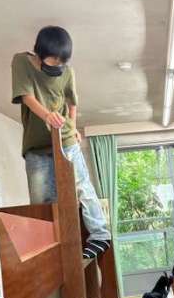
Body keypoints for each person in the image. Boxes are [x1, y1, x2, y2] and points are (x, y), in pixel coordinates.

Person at [11, 26, 111, 259]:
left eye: (61, 63)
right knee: (42, 200)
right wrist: (47, 115)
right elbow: (26, 96)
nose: (58, 67)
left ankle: (100, 235)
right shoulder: (21, 62)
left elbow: (72, 103)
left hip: (65, 139)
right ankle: (51, 248)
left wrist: (73, 128)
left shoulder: (68, 72)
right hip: (36, 145)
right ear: (39, 53)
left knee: (81, 185)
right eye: (53, 62)